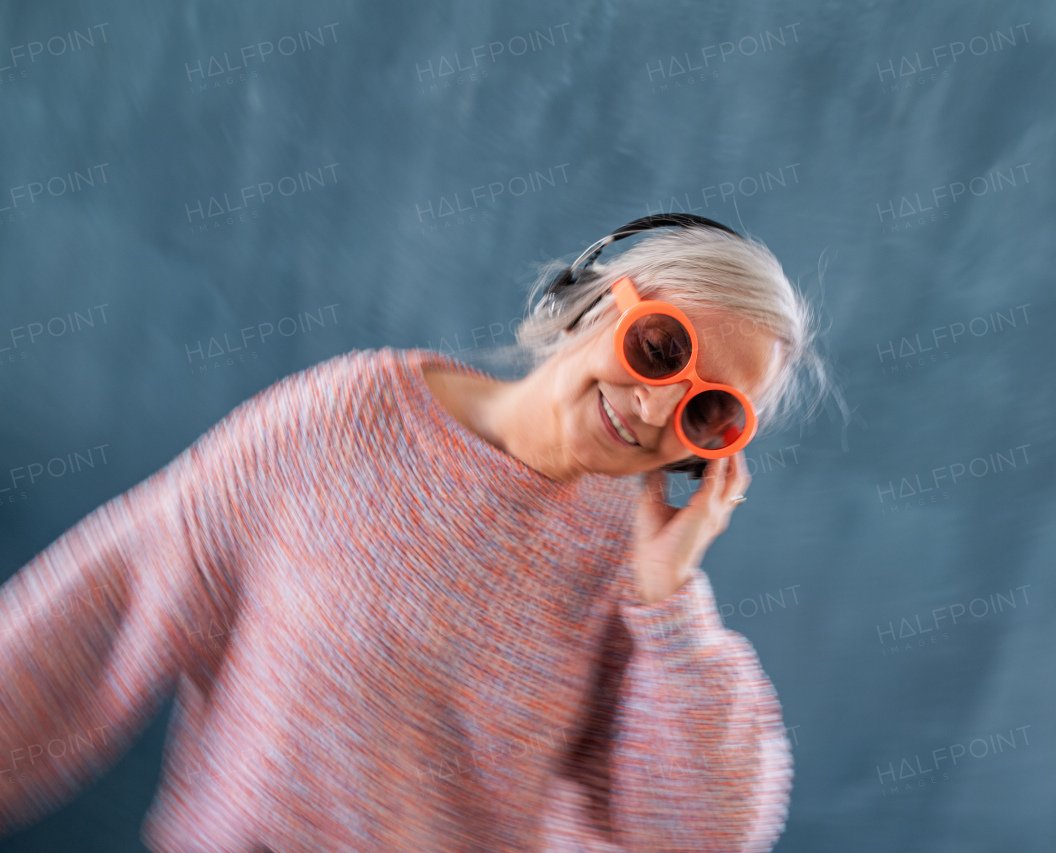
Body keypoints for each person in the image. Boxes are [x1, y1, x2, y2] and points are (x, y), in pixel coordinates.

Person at [0, 220, 840, 851]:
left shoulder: (641, 576)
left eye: (711, 411)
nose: (657, 407)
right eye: (660, 348)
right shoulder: (347, 418)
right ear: (594, 298)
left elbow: (707, 830)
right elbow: (106, 599)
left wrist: (670, 607)